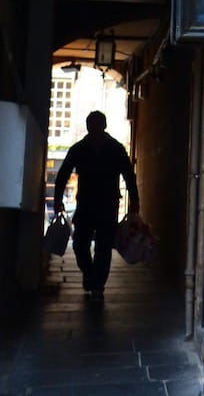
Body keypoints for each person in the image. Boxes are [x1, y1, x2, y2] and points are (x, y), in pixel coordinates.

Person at [53, 110, 139, 303]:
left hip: (108, 206)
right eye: (92, 125)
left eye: (98, 125)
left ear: (104, 126)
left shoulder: (115, 149)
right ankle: (90, 273)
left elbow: (128, 174)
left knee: (104, 247)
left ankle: (98, 286)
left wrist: (134, 199)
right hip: (85, 204)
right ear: (88, 127)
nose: (95, 129)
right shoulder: (79, 149)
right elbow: (64, 173)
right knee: (79, 244)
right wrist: (57, 199)